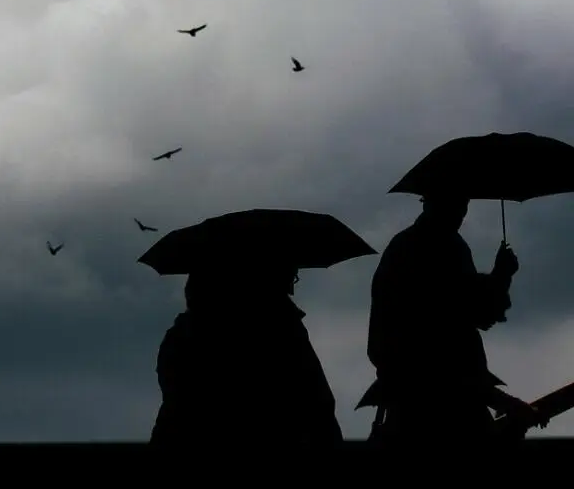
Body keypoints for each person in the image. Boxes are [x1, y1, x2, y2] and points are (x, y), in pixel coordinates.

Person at [362, 193, 546, 445]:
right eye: (459, 204)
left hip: (410, 404)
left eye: (464, 205)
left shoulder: (406, 247)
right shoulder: (442, 248)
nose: (462, 214)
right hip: (443, 409)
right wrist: (501, 276)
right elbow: (466, 322)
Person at [149, 258, 344, 452]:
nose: (292, 284)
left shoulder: (181, 334)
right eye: (291, 275)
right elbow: (318, 405)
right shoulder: (280, 328)